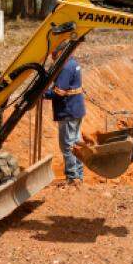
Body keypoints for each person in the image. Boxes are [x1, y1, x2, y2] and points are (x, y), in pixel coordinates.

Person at [49, 56, 86, 185]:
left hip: (68, 110)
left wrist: (42, 93)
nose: (52, 57)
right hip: (76, 109)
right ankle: (79, 175)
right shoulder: (73, 62)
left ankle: (72, 177)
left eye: (53, 54)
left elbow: (59, 92)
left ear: (59, 53)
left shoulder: (65, 67)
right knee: (76, 143)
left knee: (67, 145)